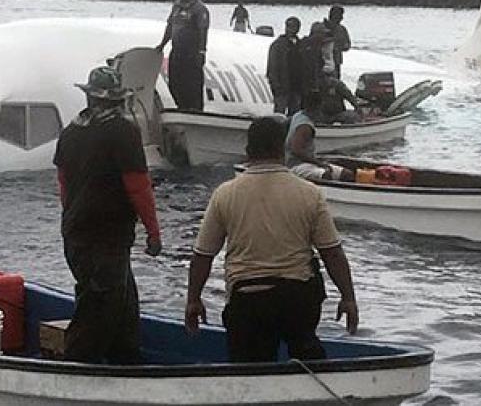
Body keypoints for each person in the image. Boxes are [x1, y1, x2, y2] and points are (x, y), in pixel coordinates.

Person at [185, 117, 358, 363]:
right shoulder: (309, 193)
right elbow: (332, 253)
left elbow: (203, 255)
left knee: (249, 371)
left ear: (248, 151)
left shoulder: (225, 194)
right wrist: (348, 297)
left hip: (247, 300)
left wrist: (193, 300)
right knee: (308, 360)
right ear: (282, 150)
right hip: (297, 301)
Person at [53, 64, 163, 364]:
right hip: (107, 237)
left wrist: (73, 217)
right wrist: (153, 232)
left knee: (119, 300)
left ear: (90, 98)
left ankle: (125, 359)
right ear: (116, 100)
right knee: (101, 306)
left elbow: (64, 184)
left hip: (75, 233)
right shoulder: (123, 131)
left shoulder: (71, 132)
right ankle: (76, 367)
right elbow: (138, 187)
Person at [155, 0, 210, 111]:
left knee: (192, 85)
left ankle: (194, 109)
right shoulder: (176, 6)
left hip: (191, 53)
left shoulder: (199, 9)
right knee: (174, 83)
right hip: (176, 51)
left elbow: (203, 31)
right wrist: (162, 44)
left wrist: (202, 52)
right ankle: (181, 106)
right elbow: (170, 26)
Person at [286, 91, 356, 182]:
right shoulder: (305, 126)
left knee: (347, 174)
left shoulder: (298, 115)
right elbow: (296, 150)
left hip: (306, 162)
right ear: (318, 106)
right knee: (326, 175)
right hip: (297, 165)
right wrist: (319, 163)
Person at [266, 16, 303, 115]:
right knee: (279, 112)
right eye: (289, 26)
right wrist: (275, 84)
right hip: (282, 86)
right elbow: (272, 66)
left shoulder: (300, 45)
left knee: (295, 113)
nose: (291, 29)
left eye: (294, 27)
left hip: (296, 86)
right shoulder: (278, 45)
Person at [322, 5, 350, 78]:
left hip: (336, 61)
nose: (341, 18)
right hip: (322, 62)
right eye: (339, 15)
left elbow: (347, 45)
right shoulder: (321, 27)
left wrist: (340, 46)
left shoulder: (342, 29)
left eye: (341, 15)